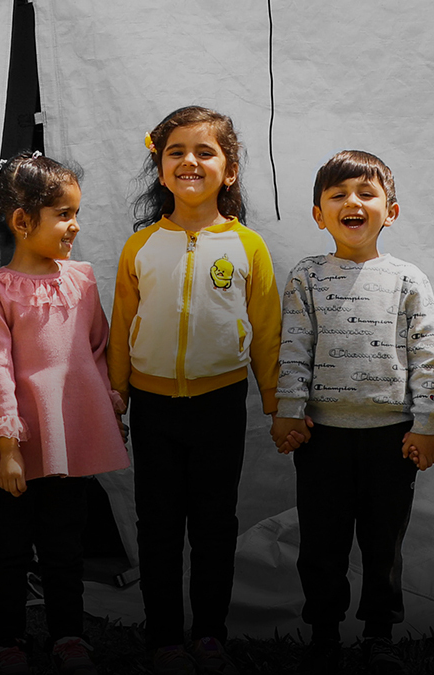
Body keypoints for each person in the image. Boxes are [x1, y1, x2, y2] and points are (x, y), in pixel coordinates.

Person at [107, 105, 281, 675]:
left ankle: (209, 636)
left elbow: (268, 336)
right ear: (160, 168)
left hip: (220, 407)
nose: (190, 161)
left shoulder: (248, 247)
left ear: (228, 171)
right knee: (157, 526)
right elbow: (119, 329)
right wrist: (117, 399)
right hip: (154, 410)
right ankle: (163, 641)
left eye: (205, 152)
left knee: (214, 526)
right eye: (176, 151)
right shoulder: (140, 248)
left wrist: (280, 407)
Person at [271, 150, 434, 675]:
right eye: (338, 195)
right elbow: (294, 347)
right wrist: (288, 411)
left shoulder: (408, 278)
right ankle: (324, 632)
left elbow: (428, 355)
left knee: (382, 542)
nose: (353, 203)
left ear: (390, 211)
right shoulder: (305, 276)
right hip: (321, 436)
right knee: (321, 543)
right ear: (319, 214)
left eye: (366, 194)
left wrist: (427, 424)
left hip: (391, 437)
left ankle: (379, 633)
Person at [0, 152, 131, 675]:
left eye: (75, 212)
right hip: (14, 444)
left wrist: (105, 407)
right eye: (63, 213)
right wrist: (8, 448)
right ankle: (8, 639)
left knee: (65, 546)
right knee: (8, 548)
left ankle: (68, 636)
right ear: (21, 221)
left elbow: (98, 348)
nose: (74, 225)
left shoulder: (81, 280)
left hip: (67, 442)